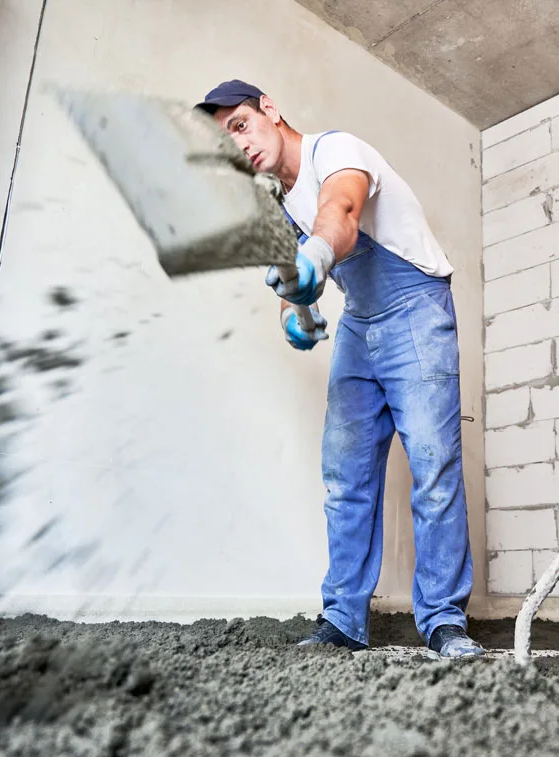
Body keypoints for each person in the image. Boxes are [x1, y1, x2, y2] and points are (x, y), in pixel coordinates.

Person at [196, 80, 484, 658]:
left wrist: (316, 258)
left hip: (416, 308)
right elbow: (289, 282)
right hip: (361, 321)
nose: (240, 144)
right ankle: (344, 618)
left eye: (241, 125)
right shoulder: (271, 203)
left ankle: (443, 619)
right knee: (344, 476)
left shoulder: (337, 152)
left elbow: (341, 212)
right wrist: (294, 312)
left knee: (433, 466)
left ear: (270, 111)